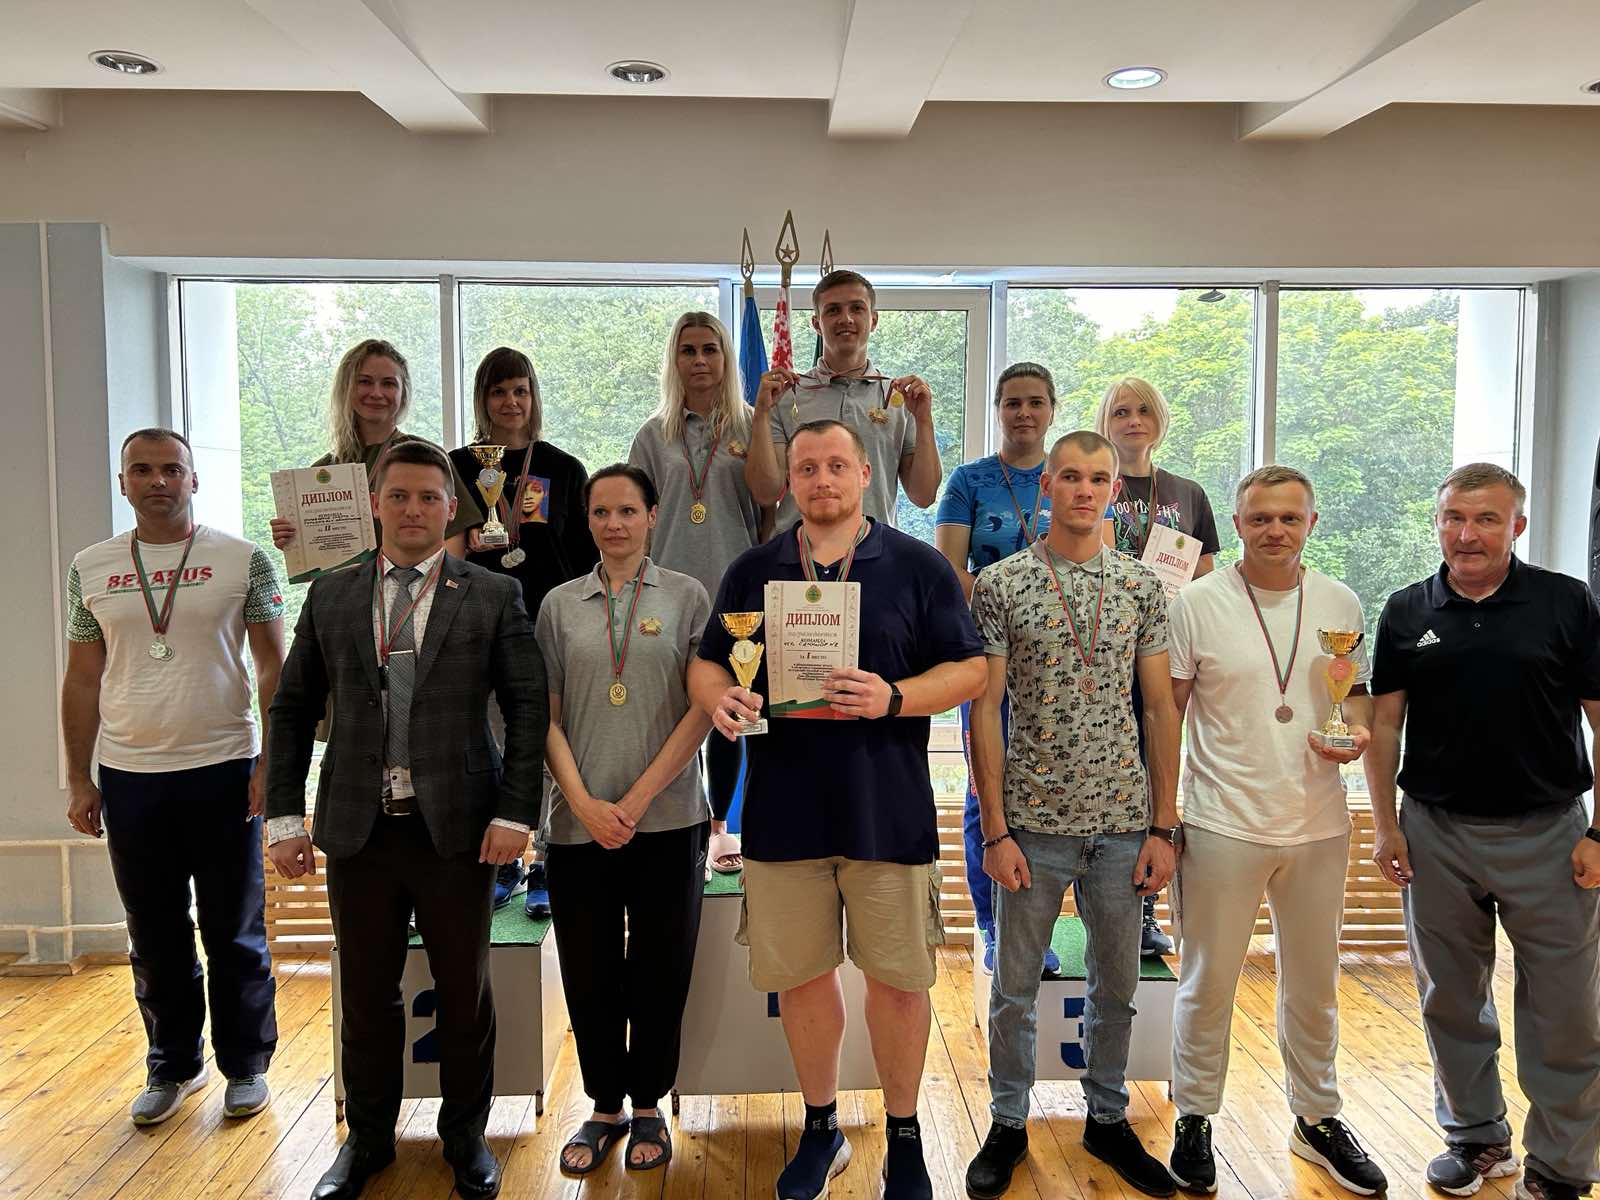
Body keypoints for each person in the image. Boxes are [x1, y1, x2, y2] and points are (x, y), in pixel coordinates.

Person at [690, 419, 986, 1200]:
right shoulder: (754, 570)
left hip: (888, 815)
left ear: (864, 474)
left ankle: (905, 1136)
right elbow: (707, 665)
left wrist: (895, 696)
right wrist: (721, 700)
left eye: (835, 465)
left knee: (900, 984)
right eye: (806, 467)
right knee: (801, 980)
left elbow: (970, 671)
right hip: (783, 816)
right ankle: (821, 1129)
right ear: (788, 480)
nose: (821, 480)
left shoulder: (918, 566)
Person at [265, 439, 547, 1200]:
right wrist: (283, 817)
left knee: (464, 993)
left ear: (451, 507)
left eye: (428, 497)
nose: (414, 509)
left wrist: (517, 812)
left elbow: (527, 708)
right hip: (359, 828)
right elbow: (291, 709)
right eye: (399, 496)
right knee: (365, 995)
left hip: (458, 829)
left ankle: (466, 1137)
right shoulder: (331, 595)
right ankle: (368, 1140)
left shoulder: (492, 594)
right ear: (374, 505)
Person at [1365, 463, 1600, 1200]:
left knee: (1565, 1008)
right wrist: (1385, 826)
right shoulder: (1407, 610)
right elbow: (1384, 725)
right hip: (1435, 833)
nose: (1467, 535)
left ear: (1516, 526)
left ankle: (1561, 1166)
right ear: (1438, 523)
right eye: (1454, 519)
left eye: (1487, 519)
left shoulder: (1567, 602)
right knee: (1449, 998)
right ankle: (1475, 1137)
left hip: (1550, 835)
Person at [964, 431, 1181, 1200]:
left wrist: (1163, 826)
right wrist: (994, 829)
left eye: (1097, 479)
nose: (1084, 490)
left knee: (1116, 988)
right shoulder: (1002, 584)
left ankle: (1108, 1118)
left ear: (1114, 491)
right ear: (1047, 485)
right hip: (1031, 825)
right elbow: (983, 709)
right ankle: (1007, 1122)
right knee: (1014, 991)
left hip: (1123, 825)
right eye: (1070, 477)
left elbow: (1160, 709)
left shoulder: (1142, 587)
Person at [1164, 464, 1388, 1197]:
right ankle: (1195, 1116)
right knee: (1207, 982)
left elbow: (1354, 697)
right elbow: (1168, 714)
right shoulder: (1197, 603)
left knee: (1315, 985)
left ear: (1311, 524)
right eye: (1260, 518)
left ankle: (1317, 1117)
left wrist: (1355, 734)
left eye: (1290, 518)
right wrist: (1163, 819)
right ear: (1237, 524)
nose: (1275, 531)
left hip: (1319, 824)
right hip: (1222, 822)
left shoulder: (1340, 600)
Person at [62, 427, 285, 1127]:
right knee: (154, 933)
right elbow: (82, 678)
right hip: (131, 775)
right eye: (142, 470)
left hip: (224, 768)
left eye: (170, 469)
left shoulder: (244, 560)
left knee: (233, 931)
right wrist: (79, 777)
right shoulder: (89, 567)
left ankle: (245, 1065)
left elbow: (274, 668)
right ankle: (173, 1065)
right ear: (123, 482)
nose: (157, 481)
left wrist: (270, 766)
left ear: (194, 479)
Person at [536, 464, 713, 1175]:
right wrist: (583, 803)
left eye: (628, 511)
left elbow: (703, 708)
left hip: (667, 818)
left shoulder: (689, 596)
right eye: (601, 512)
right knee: (589, 969)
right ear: (586, 520)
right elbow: (545, 718)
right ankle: (605, 1105)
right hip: (576, 822)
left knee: (661, 969)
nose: (614, 524)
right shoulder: (557, 605)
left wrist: (637, 801)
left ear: (652, 515)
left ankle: (648, 1105)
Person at [449, 345, 595, 916]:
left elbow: (584, 558)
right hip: (481, 628)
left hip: (550, 624)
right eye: (498, 391)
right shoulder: (458, 467)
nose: (510, 402)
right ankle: (504, 859)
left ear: (533, 397)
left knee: (550, 742)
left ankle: (547, 862)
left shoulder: (564, 468)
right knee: (495, 743)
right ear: (482, 399)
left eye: (520, 390)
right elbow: (442, 552)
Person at [935, 361, 1067, 980]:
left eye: (1035, 402)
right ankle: (993, 927)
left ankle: (1036, 929)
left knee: (1051, 793)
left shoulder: (1068, 475)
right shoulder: (969, 480)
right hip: (986, 654)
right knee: (984, 790)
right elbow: (949, 569)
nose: (1024, 413)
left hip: (1060, 663)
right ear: (997, 410)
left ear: (1052, 410)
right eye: (1012, 402)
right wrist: (1008, 617)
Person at [629, 312, 765, 876]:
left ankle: (721, 828)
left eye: (711, 349)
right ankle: (674, 825)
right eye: (688, 350)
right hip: (668, 593)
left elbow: (770, 509)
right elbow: (634, 517)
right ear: (675, 360)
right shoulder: (653, 434)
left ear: (726, 358)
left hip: (738, 594)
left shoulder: (753, 426)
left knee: (731, 712)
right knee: (674, 711)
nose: (700, 360)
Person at [1098, 375, 1221, 959]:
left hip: (1165, 655)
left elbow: (1208, 577)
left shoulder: (1187, 493)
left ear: (1160, 420)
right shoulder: (1095, 485)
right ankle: (1086, 908)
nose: (1132, 420)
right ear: (1105, 421)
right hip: (1101, 651)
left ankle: (1144, 913)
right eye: (1121, 411)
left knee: (1154, 778)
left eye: (1143, 410)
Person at [746, 269, 942, 531]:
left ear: (873, 320)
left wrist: (924, 420)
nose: (846, 318)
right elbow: (766, 493)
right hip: (801, 550)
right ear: (817, 324)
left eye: (857, 308)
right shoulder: (787, 395)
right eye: (833, 310)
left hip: (874, 549)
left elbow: (923, 496)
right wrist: (760, 413)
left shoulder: (898, 399)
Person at [270, 338, 481, 559]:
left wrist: (434, 582)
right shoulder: (321, 472)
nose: (376, 393)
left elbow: (454, 539)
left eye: (388, 384)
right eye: (365, 382)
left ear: (403, 392)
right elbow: (314, 561)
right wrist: (293, 539)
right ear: (346, 388)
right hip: (347, 583)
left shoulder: (428, 458)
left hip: (419, 581)